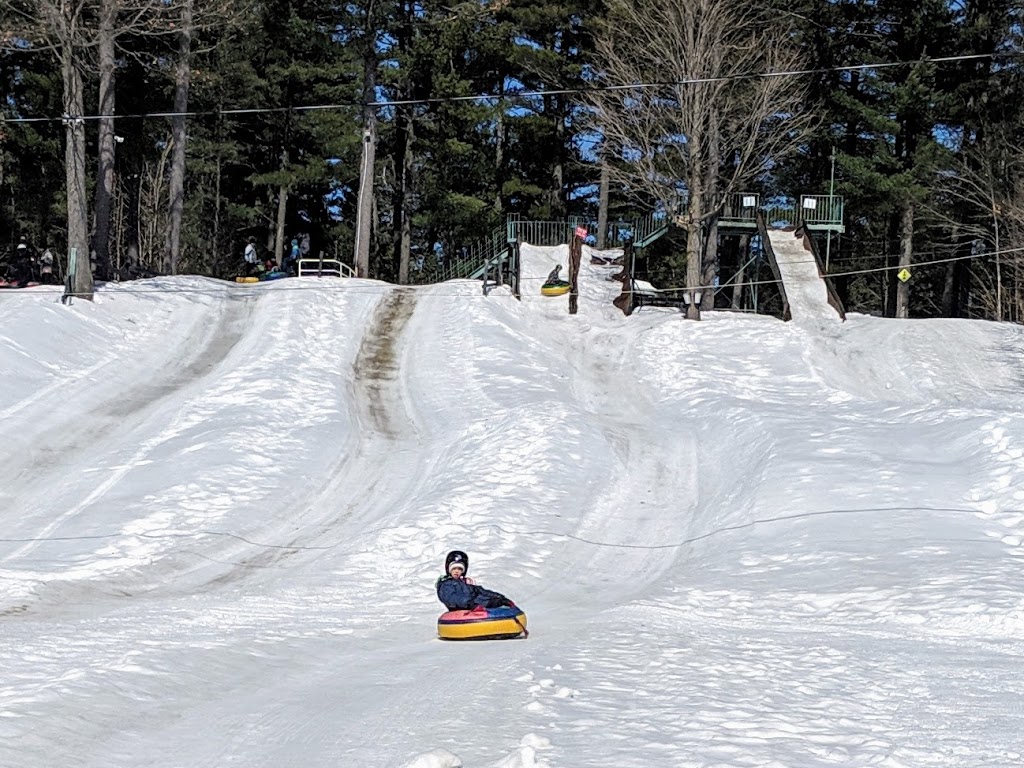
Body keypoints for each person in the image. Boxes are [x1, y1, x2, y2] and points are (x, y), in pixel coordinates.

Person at [435, 550, 515, 612]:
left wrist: (499, 597)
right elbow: (451, 598)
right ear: (449, 570)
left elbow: (480, 591)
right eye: (454, 569)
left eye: (459, 569)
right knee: (485, 604)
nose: (456, 571)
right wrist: (468, 603)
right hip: (461, 608)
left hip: (475, 605)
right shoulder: (446, 584)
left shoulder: (465, 582)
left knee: (496, 602)